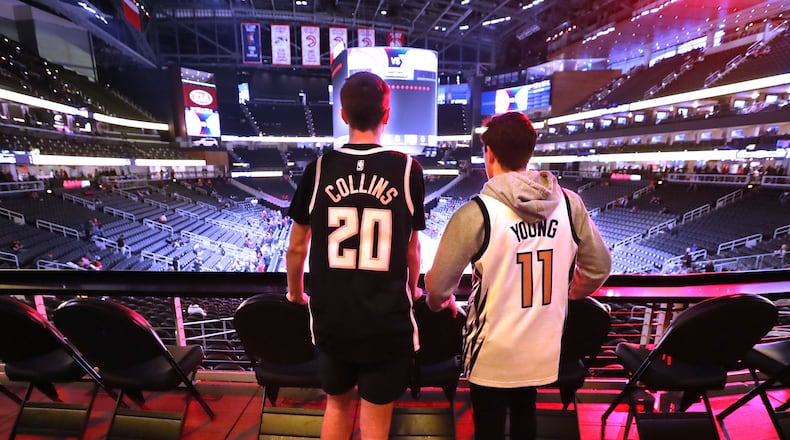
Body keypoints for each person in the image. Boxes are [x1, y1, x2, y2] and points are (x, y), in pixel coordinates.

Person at [425, 112, 611, 439]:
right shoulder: (570, 204)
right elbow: (599, 268)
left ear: (489, 154)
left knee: (489, 426)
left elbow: (438, 287)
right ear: (530, 152)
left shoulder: (476, 213)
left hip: (492, 348)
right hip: (542, 345)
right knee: (526, 415)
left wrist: (442, 301)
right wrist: (566, 293)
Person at [286, 71, 425, 440]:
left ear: (343, 115)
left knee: (336, 406)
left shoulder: (317, 171)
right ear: (387, 114)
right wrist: (414, 289)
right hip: (386, 322)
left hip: (333, 320)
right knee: (376, 418)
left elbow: (297, 246)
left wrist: (295, 293)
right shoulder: (409, 169)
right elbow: (412, 248)